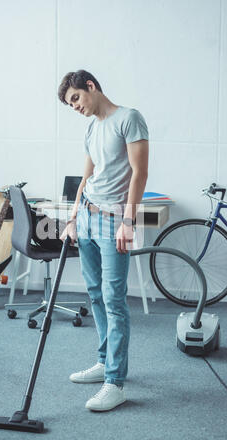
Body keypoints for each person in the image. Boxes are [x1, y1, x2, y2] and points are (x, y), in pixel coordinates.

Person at [58, 70, 149, 411]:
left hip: (113, 223)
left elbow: (139, 173)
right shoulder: (92, 127)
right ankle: (103, 362)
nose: (76, 107)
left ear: (91, 87)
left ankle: (115, 382)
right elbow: (87, 176)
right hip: (86, 217)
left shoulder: (129, 119)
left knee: (114, 299)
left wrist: (129, 221)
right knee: (95, 294)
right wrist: (72, 218)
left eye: (76, 99)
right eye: (71, 104)